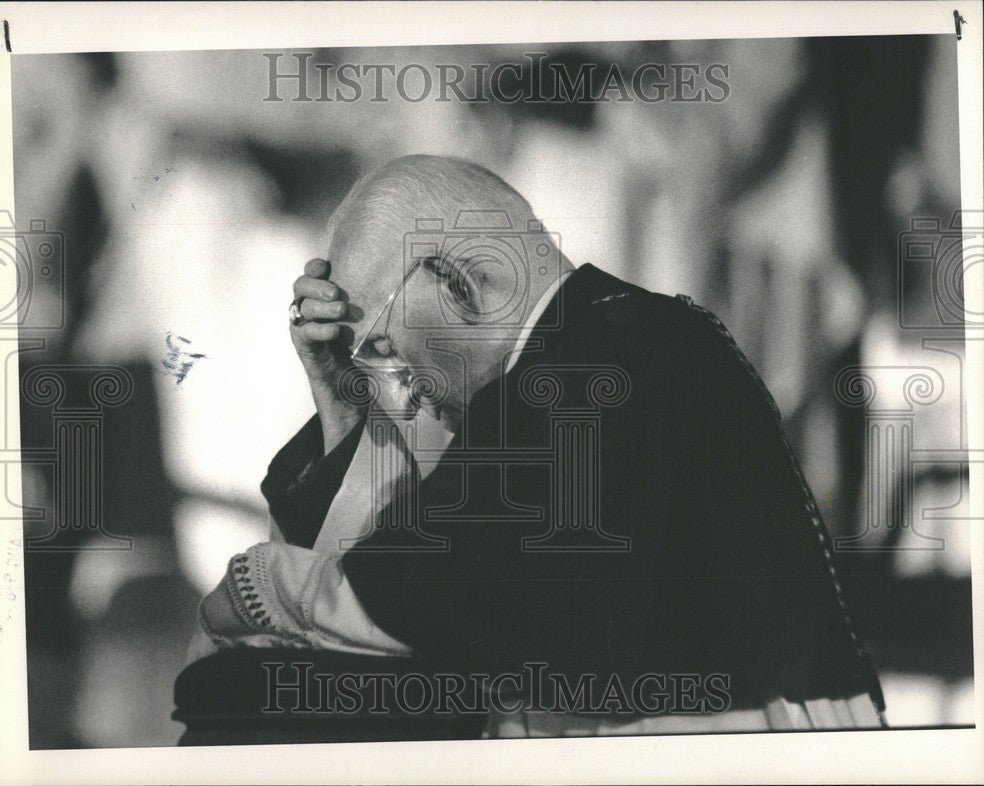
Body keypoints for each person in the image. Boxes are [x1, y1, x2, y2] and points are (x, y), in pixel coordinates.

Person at [191, 154, 885, 736]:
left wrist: (267, 586)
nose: (400, 396)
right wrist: (343, 408)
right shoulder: (582, 348)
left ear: (457, 281)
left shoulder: (603, 358)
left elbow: (456, 600)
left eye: (384, 349)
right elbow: (429, 584)